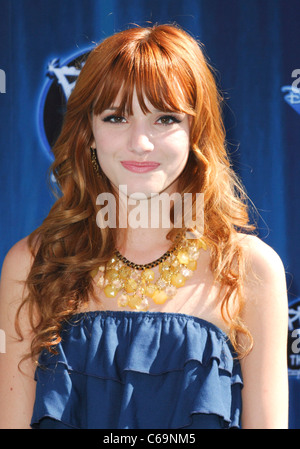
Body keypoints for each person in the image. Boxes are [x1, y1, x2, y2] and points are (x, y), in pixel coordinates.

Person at [0, 24, 288, 429]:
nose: (140, 142)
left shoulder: (250, 269)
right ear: (89, 134)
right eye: (116, 117)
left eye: (165, 118)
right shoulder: (33, 265)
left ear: (196, 132)